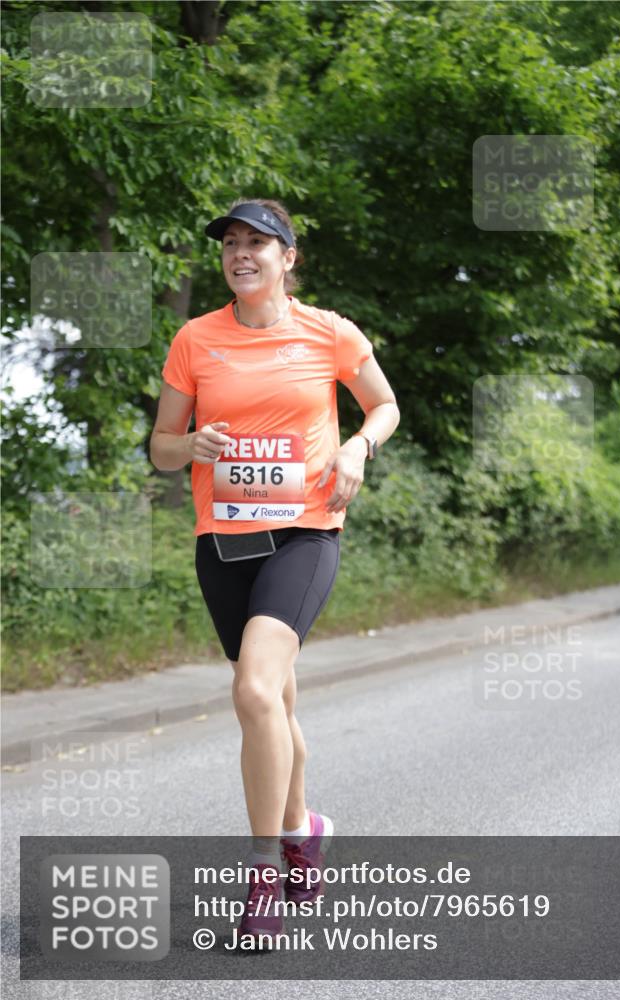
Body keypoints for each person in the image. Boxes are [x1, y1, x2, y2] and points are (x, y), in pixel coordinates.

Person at [150, 198, 400, 944]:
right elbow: (161, 444)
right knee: (277, 708)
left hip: (305, 532)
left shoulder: (328, 332)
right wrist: (190, 446)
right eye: (231, 243)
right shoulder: (196, 339)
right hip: (224, 539)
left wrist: (358, 447)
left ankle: (262, 868)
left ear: (288, 258)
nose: (241, 254)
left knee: (253, 688)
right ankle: (302, 825)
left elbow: (382, 405)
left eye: (259, 243)